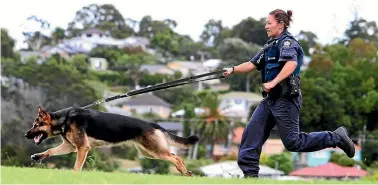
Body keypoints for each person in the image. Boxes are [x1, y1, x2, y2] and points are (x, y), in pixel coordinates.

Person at [223, 9, 355, 178]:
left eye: (269, 23)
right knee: (251, 135)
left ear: (281, 25)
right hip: (270, 100)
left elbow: (291, 64)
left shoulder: (288, 43)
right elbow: (251, 64)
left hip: (285, 100)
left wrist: (272, 82)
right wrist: (233, 70)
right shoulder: (269, 46)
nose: (266, 26)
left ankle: (335, 137)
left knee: (293, 142)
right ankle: (250, 177)